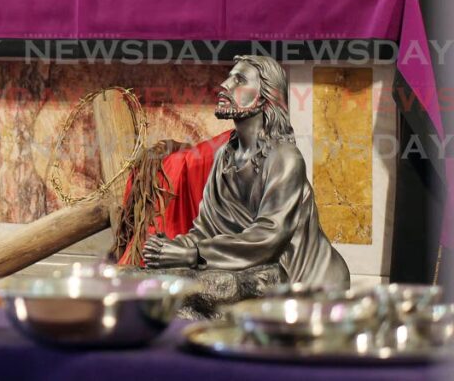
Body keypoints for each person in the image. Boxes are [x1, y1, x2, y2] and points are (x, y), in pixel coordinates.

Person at [142, 56, 349, 288]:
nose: (225, 85)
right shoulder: (225, 156)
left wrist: (194, 254)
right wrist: (171, 248)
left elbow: (270, 236)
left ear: (264, 97)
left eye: (238, 80)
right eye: (229, 77)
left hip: (305, 281)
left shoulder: (285, 158)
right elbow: (206, 229)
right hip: (256, 271)